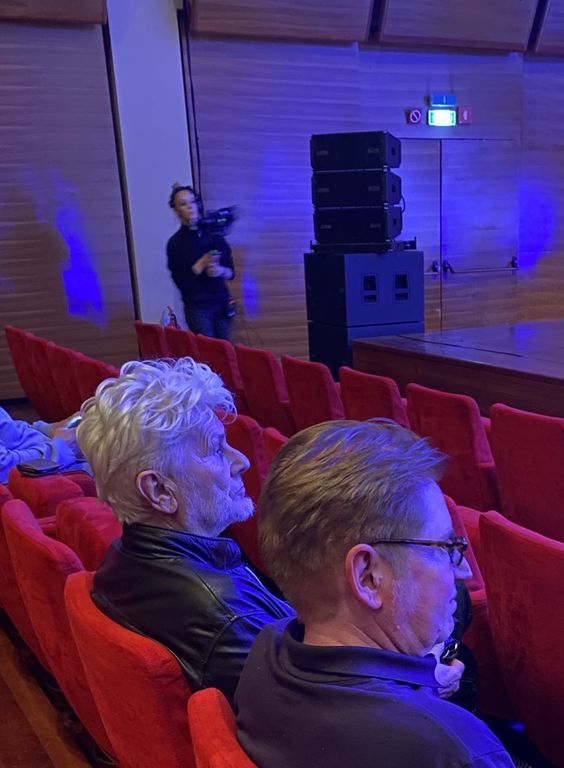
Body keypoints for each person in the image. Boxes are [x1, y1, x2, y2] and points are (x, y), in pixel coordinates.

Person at [235, 420, 513, 768]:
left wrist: (420, 682)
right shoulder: (455, 749)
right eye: (444, 548)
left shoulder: (265, 656)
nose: (464, 571)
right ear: (367, 577)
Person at [76, 357, 292, 705]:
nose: (241, 461)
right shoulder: (231, 620)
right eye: (217, 449)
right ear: (160, 491)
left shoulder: (122, 556)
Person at [166, 184, 235, 339]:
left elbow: (231, 272)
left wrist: (220, 270)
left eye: (192, 202)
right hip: (198, 309)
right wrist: (201, 264)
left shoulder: (214, 234)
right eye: (183, 204)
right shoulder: (175, 243)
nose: (190, 207)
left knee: (226, 349)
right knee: (207, 349)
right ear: (176, 210)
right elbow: (181, 283)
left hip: (222, 304)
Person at [0, 407, 87, 483]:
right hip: (44, 474)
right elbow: (4, 466)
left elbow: (10, 432)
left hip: (52, 455)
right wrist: (62, 447)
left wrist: (52, 429)